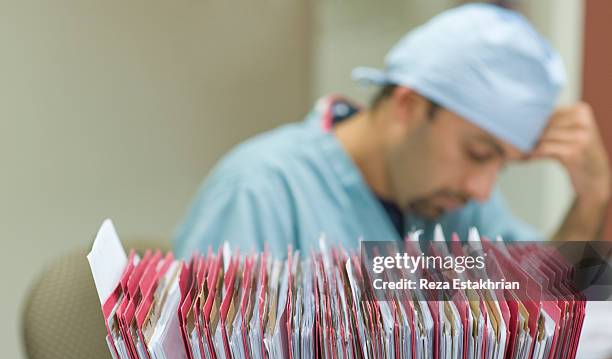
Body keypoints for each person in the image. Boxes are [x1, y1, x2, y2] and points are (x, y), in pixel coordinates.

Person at [174, 3, 610, 259]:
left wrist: (592, 198)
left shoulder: (458, 208)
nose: (483, 188)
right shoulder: (263, 191)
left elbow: (557, 302)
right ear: (408, 104)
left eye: (503, 167)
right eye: (478, 152)